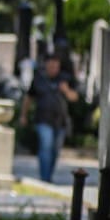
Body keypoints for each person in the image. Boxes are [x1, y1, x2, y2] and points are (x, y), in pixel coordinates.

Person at [19, 52, 79, 183]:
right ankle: (45, 178)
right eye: (51, 66)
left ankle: (48, 176)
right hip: (43, 119)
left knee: (55, 151)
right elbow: (28, 98)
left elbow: (74, 97)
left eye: (56, 66)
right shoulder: (39, 79)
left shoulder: (65, 79)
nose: (53, 69)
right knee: (46, 146)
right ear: (46, 65)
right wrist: (23, 115)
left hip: (60, 121)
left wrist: (66, 90)